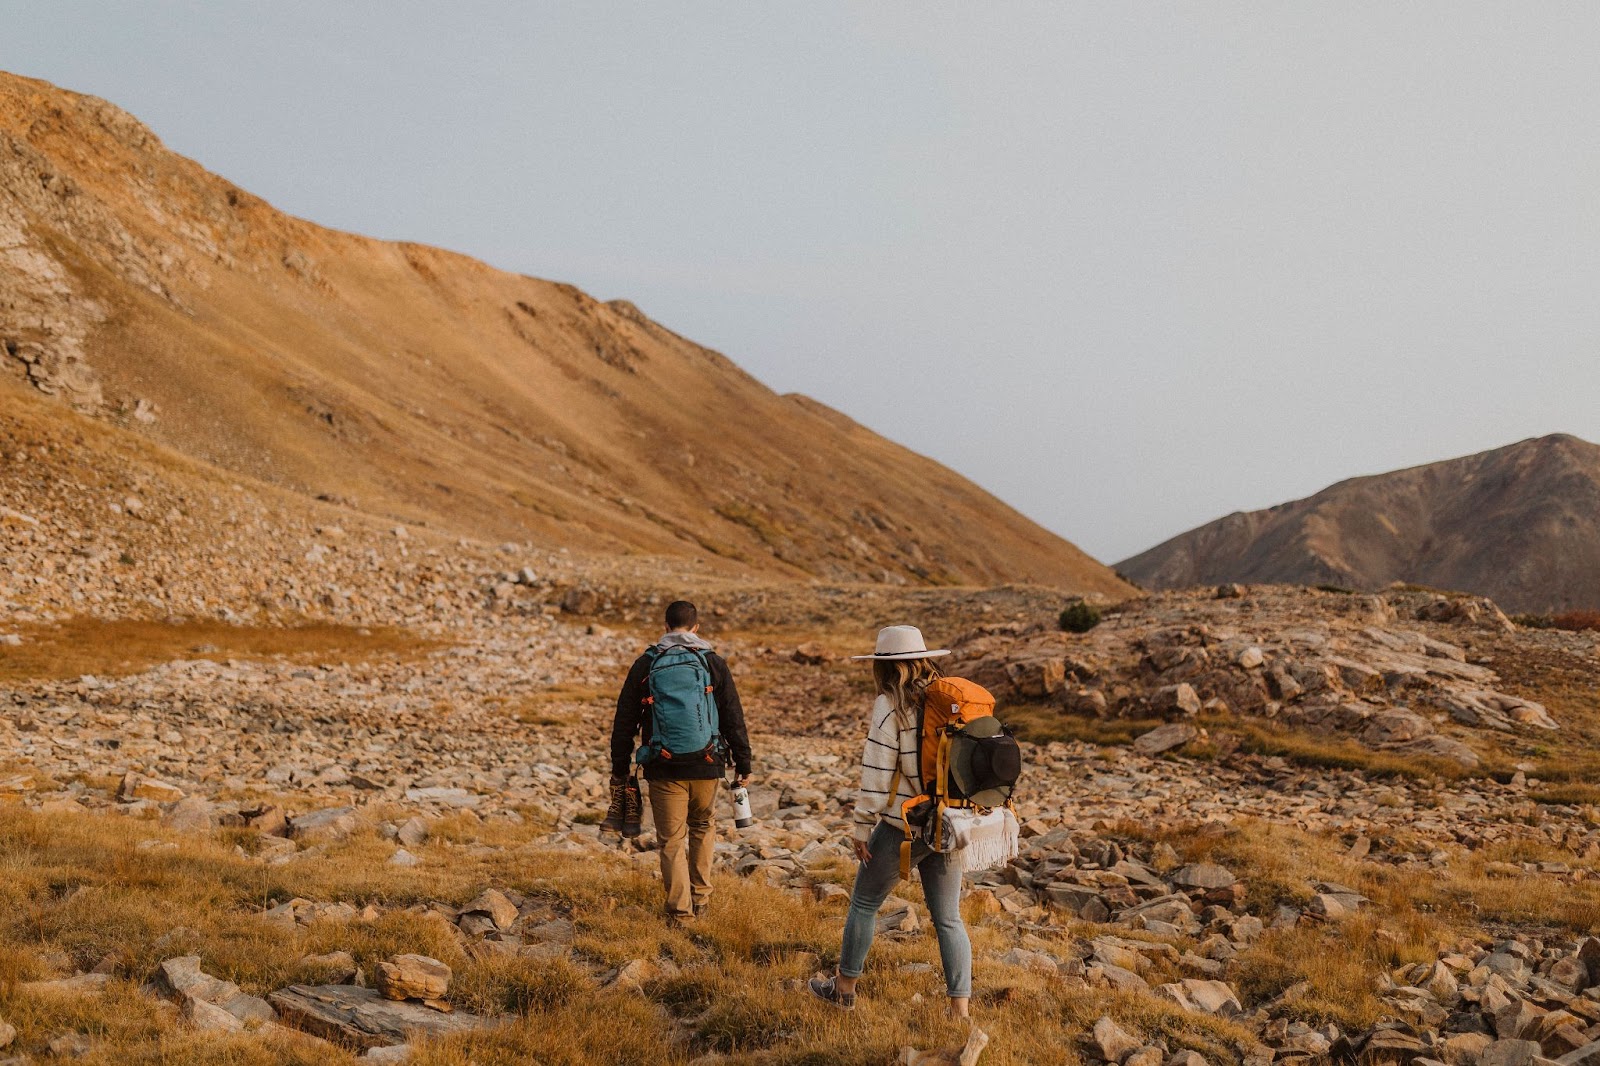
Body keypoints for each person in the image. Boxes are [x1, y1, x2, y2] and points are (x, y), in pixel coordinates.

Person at [809, 624, 972, 1017]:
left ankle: (844, 989)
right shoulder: (947, 700)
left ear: (883, 666)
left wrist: (863, 827)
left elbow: (878, 773)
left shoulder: (890, 705)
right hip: (948, 823)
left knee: (864, 903)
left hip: (903, 825)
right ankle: (960, 1009)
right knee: (949, 917)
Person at [608, 599, 753, 924]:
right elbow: (732, 714)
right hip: (707, 762)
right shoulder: (712, 661)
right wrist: (743, 761)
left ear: (665, 626)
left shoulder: (646, 664)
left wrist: (620, 768)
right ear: (696, 627)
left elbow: (625, 720)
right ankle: (701, 899)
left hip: (663, 766)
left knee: (671, 839)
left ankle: (681, 913)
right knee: (702, 825)